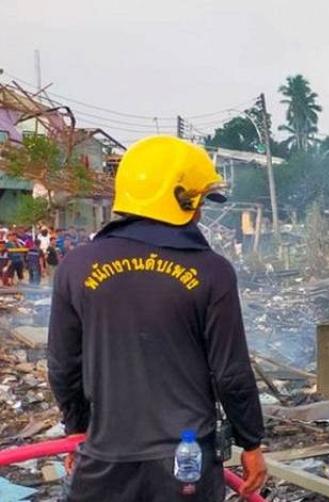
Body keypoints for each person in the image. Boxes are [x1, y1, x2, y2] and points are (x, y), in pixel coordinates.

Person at [47, 135, 267, 501]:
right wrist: (251, 442)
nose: (200, 213)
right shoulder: (212, 271)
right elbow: (230, 371)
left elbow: (63, 365)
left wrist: (78, 429)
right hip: (186, 465)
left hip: (104, 460)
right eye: (199, 202)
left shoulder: (76, 266)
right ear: (180, 199)